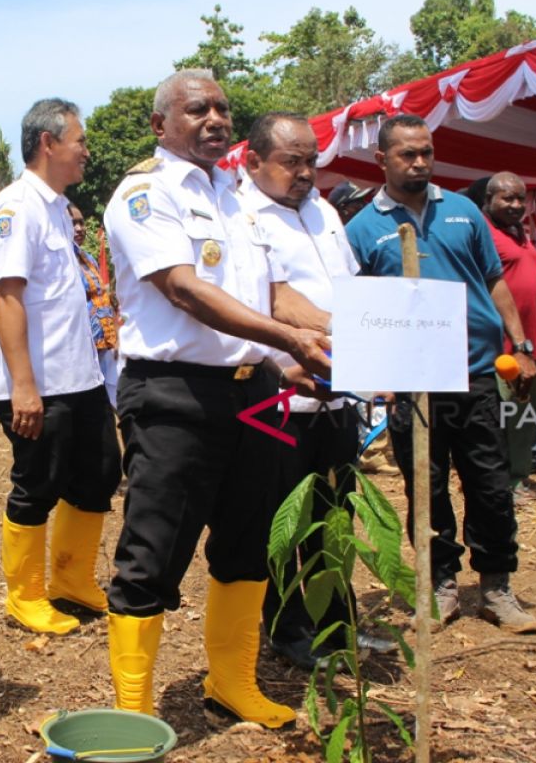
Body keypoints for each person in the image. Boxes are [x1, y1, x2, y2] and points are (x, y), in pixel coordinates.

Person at [103, 70, 333, 729]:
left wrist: (357, 339)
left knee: (248, 540)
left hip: (257, 393)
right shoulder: (144, 194)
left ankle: (232, 682)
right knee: (152, 555)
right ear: (160, 125)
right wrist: (285, 337)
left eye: (223, 108)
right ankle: (132, 714)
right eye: (197, 108)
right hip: (176, 393)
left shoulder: (236, 196)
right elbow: (185, 290)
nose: (214, 118)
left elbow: (272, 293)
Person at [344, 115, 536, 634]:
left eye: (426, 152)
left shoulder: (463, 212)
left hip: (475, 374)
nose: (420, 162)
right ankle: (442, 584)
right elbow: (358, 307)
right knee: (425, 489)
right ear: (381, 160)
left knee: (492, 484)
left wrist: (520, 346)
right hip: (412, 384)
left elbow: (495, 282)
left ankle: (497, 585)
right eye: (407, 154)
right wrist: (375, 377)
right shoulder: (362, 229)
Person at [0, 99, 122, 636]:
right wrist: (23, 386)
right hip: (37, 382)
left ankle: (72, 579)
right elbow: (7, 298)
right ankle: (26, 596)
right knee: (38, 482)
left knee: (100, 472)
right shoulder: (16, 208)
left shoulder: (59, 208)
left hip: (78, 377)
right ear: (48, 143)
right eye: (79, 141)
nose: (87, 151)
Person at [237, 111, 364, 671]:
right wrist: (353, 335)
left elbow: (351, 286)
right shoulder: (241, 216)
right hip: (279, 391)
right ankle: (287, 628)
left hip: (338, 393)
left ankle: (336, 624)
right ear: (254, 161)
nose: (306, 172)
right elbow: (276, 301)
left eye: (312, 160)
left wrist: (370, 338)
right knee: (282, 515)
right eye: (293, 161)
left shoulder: (325, 211)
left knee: (337, 510)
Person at [483, 171, 536, 494]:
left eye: (520, 198)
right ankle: (506, 480)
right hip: (504, 344)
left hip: (529, 341)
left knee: (525, 413)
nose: (515, 204)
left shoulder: (521, 234)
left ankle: (519, 473)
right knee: (508, 415)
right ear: (488, 200)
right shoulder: (485, 233)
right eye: (507, 197)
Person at [70, 204, 120, 407]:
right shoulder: (63, 263)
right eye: (73, 223)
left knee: (115, 397)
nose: (79, 228)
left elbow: (105, 299)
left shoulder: (88, 259)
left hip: (105, 343)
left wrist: (115, 336)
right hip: (83, 348)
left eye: (81, 222)